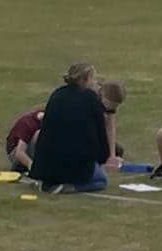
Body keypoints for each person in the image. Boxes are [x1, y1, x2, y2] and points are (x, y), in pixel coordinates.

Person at [31, 63, 113, 194]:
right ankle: (67, 187)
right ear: (85, 80)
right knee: (101, 180)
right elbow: (99, 133)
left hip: (45, 165)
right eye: (93, 78)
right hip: (72, 163)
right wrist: (102, 157)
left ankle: (50, 182)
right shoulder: (90, 98)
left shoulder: (57, 93)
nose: (96, 82)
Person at [4, 106, 45, 172]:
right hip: (15, 154)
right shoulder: (27, 123)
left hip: (26, 150)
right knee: (39, 134)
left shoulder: (41, 116)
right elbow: (19, 153)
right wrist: (32, 166)